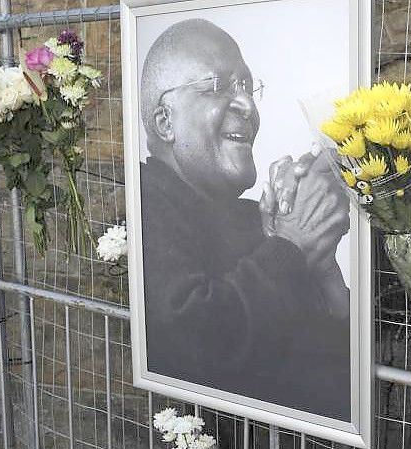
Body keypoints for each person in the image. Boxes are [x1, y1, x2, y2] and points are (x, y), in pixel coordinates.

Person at [139, 18, 351, 420]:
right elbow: (197, 337)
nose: (248, 106)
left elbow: (329, 355)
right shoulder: (146, 203)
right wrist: (290, 246)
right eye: (218, 86)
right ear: (166, 121)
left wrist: (321, 267)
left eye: (248, 87)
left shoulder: (251, 218)